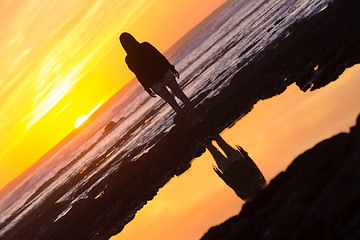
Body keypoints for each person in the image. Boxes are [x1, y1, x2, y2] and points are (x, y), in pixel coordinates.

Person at [119, 32, 202, 125]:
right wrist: (171, 67)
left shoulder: (129, 59)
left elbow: (139, 75)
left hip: (154, 83)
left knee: (173, 104)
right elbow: (159, 56)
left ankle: (192, 122)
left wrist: (147, 88)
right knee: (181, 95)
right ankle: (198, 118)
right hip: (164, 74)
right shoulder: (145, 45)